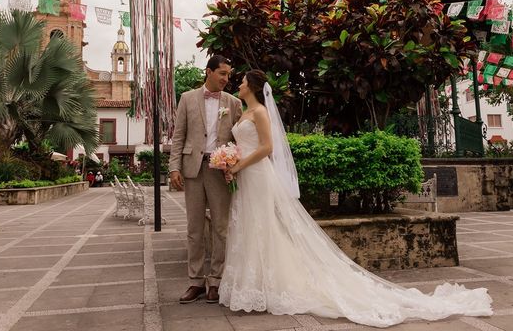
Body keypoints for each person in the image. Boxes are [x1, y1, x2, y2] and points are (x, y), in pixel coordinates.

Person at [219, 70, 493, 328]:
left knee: (263, 228)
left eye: (242, 81)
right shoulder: (245, 112)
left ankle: (268, 286)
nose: (238, 84)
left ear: (253, 87)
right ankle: (253, 287)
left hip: (257, 176)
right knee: (248, 227)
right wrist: (231, 161)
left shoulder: (261, 112)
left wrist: (238, 165)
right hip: (245, 178)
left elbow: (268, 148)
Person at [168, 55, 243, 305]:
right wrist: (173, 168)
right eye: (222, 73)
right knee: (194, 228)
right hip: (192, 170)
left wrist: (234, 163)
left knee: (221, 228)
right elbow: (178, 136)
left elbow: (240, 139)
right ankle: (196, 282)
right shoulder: (187, 98)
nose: (226, 79)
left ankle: (216, 281)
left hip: (220, 170)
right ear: (208, 72)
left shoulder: (233, 103)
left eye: (229, 75)